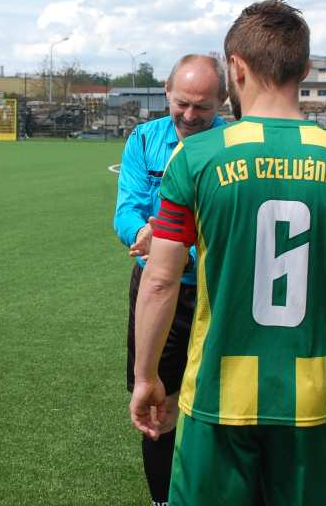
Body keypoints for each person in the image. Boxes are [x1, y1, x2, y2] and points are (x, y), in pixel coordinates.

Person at [129, 0, 326, 505]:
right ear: (306, 69)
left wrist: (145, 378)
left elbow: (160, 280)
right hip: (311, 402)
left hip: (215, 395)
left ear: (235, 68)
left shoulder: (198, 157)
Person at [113, 54, 227, 506]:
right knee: (157, 407)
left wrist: (178, 249)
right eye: (182, 103)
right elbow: (128, 206)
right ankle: (163, 499)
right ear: (166, 91)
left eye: (203, 106)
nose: (190, 115)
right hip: (156, 290)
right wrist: (141, 233)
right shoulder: (144, 139)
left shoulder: (232, 144)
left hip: (216, 290)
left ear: (222, 100)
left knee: (221, 406)